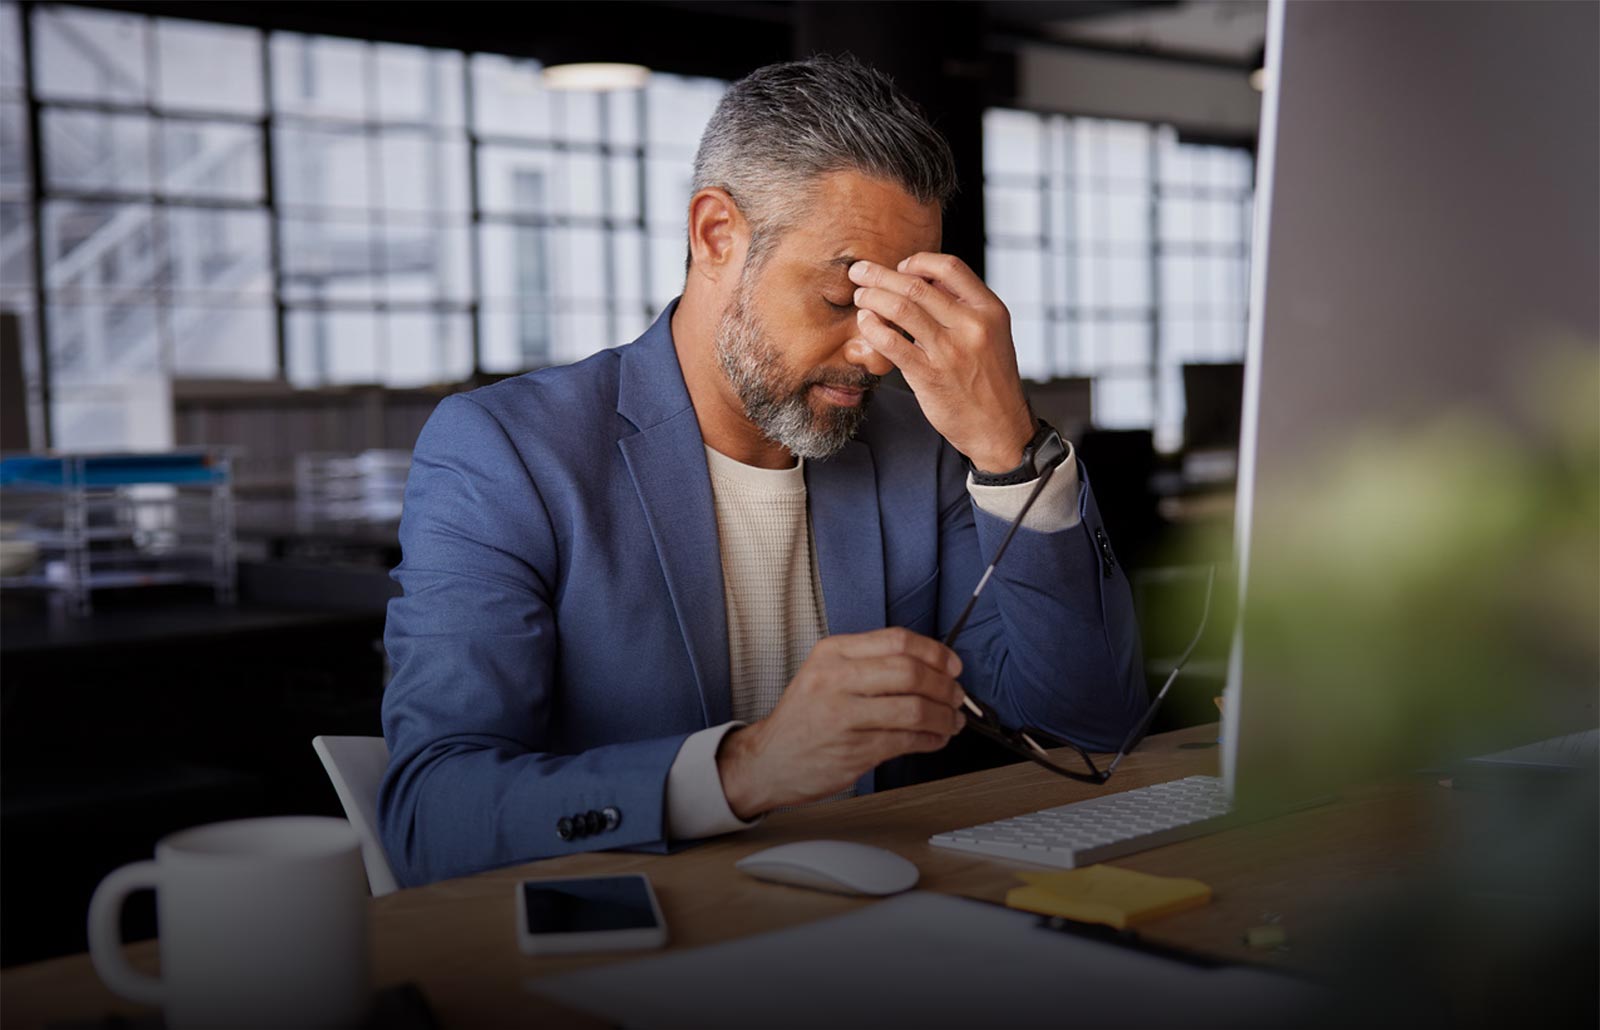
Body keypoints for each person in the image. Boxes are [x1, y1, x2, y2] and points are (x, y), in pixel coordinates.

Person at [379, 55, 1146, 887]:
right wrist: (745, 769)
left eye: (897, 308)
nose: (874, 352)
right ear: (717, 235)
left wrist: (1009, 450)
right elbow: (430, 814)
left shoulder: (919, 444)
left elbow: (1091, 725)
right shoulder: (507, 452)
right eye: (841, 297)